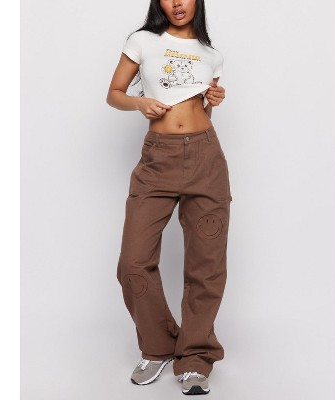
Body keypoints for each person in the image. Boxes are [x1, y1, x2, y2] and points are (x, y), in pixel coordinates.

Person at [106, 0, 231, 395]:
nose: (177, 3)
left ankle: (195, 357)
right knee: (133, 262)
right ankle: (159, 346)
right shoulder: (142, 41)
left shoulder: (212, 54)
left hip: (206, 156)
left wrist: (212, 102)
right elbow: (114, 94)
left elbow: (203, 113)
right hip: (157, 159)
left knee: (206, 264)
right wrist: (139, 102)